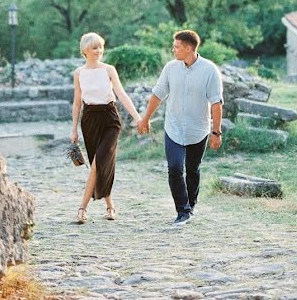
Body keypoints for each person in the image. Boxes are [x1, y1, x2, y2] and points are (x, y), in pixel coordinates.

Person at [137, 30, 223, 225]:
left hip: (198, 129)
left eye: (176, 46)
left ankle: (190, 206)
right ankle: (182, 210)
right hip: (173, 128)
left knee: (193, 169)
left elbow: (216, 103)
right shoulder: (170, 68)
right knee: (175, 168)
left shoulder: (210, 70)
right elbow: (158, 94)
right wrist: (145, 119)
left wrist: (216, 132)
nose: (173, 49)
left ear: (188, 48)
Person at [70, 32, 142, 224]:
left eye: (101, 46)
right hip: (89, 120)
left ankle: (81, 209)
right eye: (95, 47)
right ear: (85, 50)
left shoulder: (109, 70)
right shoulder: (78, 74)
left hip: (110, 119)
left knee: (98, 163)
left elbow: (121, 94)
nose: (99, 50)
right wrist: (74, 129)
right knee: (99, 164)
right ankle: (110, 206)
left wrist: (137, 118)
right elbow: (77, 103)